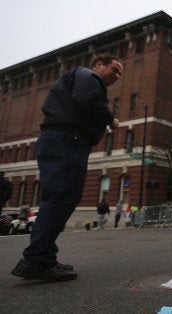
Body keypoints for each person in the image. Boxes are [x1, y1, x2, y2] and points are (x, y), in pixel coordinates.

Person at [11, 53, 122, 282]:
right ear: (98, 64)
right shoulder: (88, 76)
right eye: (114, 69)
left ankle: (43, 257)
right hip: (67, 140)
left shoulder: (75, 79)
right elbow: (87, 100)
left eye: (120, 73)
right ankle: (36, 260)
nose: (117, 76)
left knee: (60, 197)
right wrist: (110, 119)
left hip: (61, 140)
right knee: (62, 197)